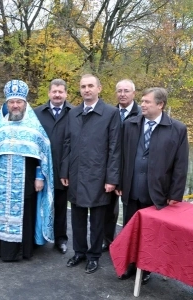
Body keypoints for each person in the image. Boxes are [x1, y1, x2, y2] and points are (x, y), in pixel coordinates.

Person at [115, 87, 188, 284]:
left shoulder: (177, 129)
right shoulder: (130, 125)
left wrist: (175, 194)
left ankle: (145, 269)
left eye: (147, 102)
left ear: (160, 104)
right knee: (130, 230)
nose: (143, 105)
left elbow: (181, 165)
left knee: (150, 235)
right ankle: (128, 266)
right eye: (143, 101)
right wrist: (120, 182)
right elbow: (122, 157)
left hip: (157, 193)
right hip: (131, 190)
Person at [0, 79, 54, 262]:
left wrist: (39, 177)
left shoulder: (34, 127)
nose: (15, 105)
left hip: (26, 182)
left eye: (18, 102)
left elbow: (41, 155)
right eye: (11, 102)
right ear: (7, 104)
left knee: (25, 213)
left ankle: (22, 250)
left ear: (25, 104)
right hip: (0, 182)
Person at [61, 74, 121, 274]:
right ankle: (79, 252)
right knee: (77, 216)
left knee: (96, 218)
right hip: (76, 172)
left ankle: (94, 256)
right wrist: (65, 170)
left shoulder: (111, 113)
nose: (86, 89)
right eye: (83, 86)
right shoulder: (73, 113)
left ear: (99, 88)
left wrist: (112, 178)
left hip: (99, 175)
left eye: (90, 86)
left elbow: (115, 148)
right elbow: (67, 143)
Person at [102, 79, 141, 252]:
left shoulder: (141, 114)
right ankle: (107, 240)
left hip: (131, 172)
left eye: (126, 91)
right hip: (111, 168)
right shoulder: (109, 113)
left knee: (129, 212)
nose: (122, 94)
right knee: (108, 209)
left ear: (134, 93)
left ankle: (126, 246)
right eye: (119, 91)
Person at [34, 79, 73, 254]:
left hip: (63, 169)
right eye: (54, 91)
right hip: (40, 169)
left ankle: (60, 239)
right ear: (49, 93)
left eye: (61, 92)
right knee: (38, 205)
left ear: (66, 94)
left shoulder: (74, 113)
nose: (57, 94)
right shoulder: (36, 113)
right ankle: (36, 237)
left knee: (60, 206)